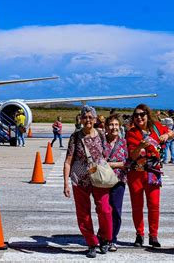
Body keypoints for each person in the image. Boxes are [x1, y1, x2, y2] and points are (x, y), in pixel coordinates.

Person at [63, 105, 112, 258]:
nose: (88, 120)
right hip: (80, 179)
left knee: (104, 209)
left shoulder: (101, 135)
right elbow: (68, 161)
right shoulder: (75, 137)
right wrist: (66, 182)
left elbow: (107, 155)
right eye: (85, 117)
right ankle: (91, 243)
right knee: (83, 214)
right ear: (81, 119)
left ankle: (105, 238)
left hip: (98, 178)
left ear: (95, 119)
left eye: (90, 117)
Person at [126, 104, 174, 248]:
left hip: (153, 172)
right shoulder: (132, 132)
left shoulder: (157, 128)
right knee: (137, 205)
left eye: (142, 114)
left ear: (148, 115)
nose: (139, 117)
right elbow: (133, 155)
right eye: (136, 115)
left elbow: (172, 133)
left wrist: (167, 135)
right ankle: (139, 234)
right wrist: (140, 146)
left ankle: (153, 235)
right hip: (136, 173)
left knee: (154, 205)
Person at [103, 113, 128, 252]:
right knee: (104, 210)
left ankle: (112, 238)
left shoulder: (124, 143)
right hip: (103, 181)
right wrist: (118, 164)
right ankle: (104, 236)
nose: (114, 127)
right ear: (106, 127)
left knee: (116, 211)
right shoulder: (101, 142)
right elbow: (98, 162)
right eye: (111, 124)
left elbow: (128, 162)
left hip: (119, 181)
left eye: (116, 125)